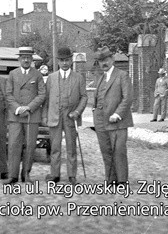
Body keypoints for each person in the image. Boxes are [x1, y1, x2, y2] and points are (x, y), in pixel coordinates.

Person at [42, 47, 88, 185]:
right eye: (62, 60)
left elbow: (84, 97)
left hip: (70, 116)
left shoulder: (79, 78)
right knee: (55, 147)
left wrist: (77, 112)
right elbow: (46, 99)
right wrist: (44, 116)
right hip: (55, 115)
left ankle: (72, 176)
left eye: (67, 60)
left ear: (71, 61)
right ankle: (55, 174)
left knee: (71, 147)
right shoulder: (51, 78)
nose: (65, 63)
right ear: (58, 62)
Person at [2, 47, 46, 184]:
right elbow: (8, 94)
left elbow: (42, 94)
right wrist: (18, 108)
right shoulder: (12, 74)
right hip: (15, 116)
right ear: (19, 59)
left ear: (32, 59)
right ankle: (13, 175)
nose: (26, 60)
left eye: (28, 57)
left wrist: (29, 107)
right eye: (23, 57)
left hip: (31, 116)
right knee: (14, 145)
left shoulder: (37, 75)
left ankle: (26, 173)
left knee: (30, 145)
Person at [92, 46, 133, 185]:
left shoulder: (122, 75)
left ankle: (122, 180)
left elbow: (127, 98)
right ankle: (110, 179)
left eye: (106, 60)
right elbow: (97, 98)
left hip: (117, 122)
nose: (103, 63)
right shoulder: (100, 77)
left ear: (112, 59)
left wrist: (117, 114)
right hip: (101, 121)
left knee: (119, 151)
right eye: (100, 61)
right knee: (106, 151)